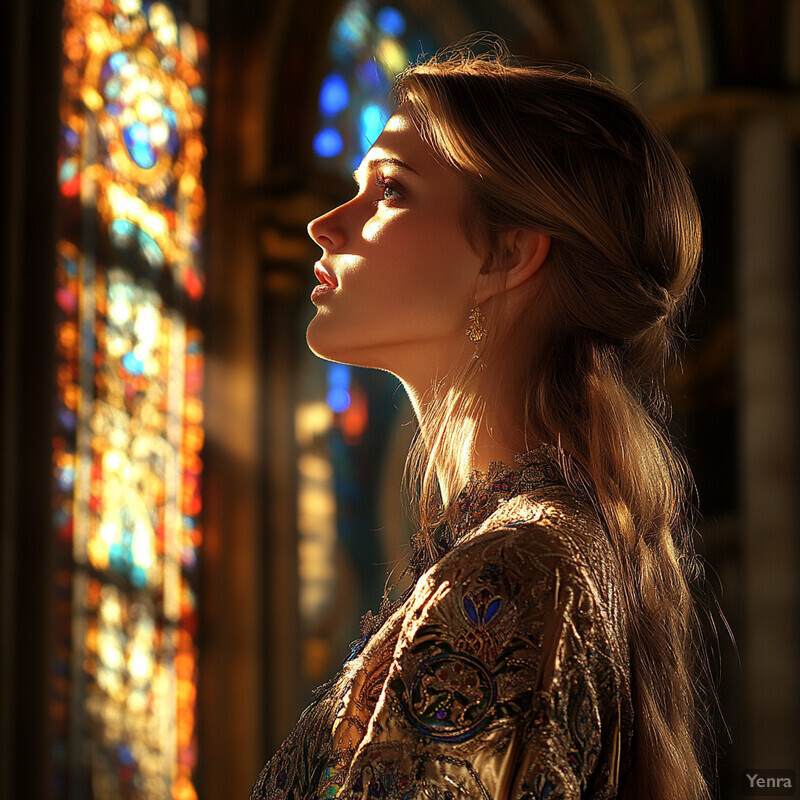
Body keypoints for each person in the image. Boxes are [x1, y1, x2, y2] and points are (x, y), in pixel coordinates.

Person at [251, 43, 718, 800]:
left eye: (391, 191)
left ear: (508, 254)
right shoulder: (525, 551)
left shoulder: (513, 570)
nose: (327, 225)